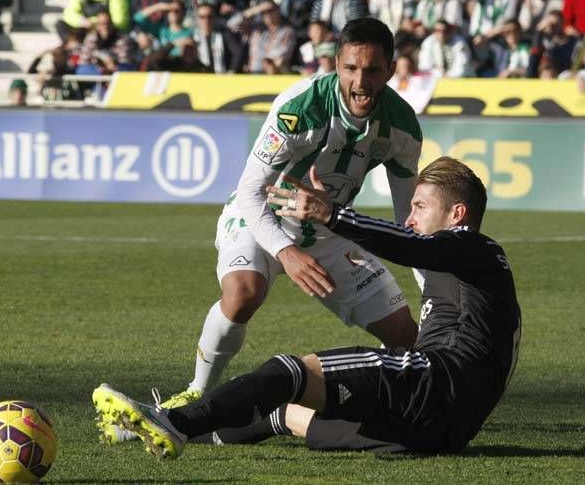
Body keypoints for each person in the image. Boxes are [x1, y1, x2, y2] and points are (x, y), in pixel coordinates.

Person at [99, 17, 422, 445]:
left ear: (392, 68)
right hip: (263, 215)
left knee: (407, 338)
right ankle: (196, 391)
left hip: (328, 228)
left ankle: (388, 408)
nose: (360, 82)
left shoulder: (401, 126)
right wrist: (286, 251)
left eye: (373, 70)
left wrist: (435, 293)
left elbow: (410, 224)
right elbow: (250, 191)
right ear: (337, 64)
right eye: (350, 68)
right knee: (244, 291)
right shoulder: (299, 106)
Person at [93, 155, 523, 459]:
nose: (409, 217)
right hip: (445, 431)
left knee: (289, 371)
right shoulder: (474, 273)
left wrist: (331, 215)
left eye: (419, 206)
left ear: (457, 214)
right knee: (285, 413)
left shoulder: (475, 248)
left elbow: (405, 244)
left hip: (432, 385)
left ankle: (174, 424)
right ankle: (162, 426)